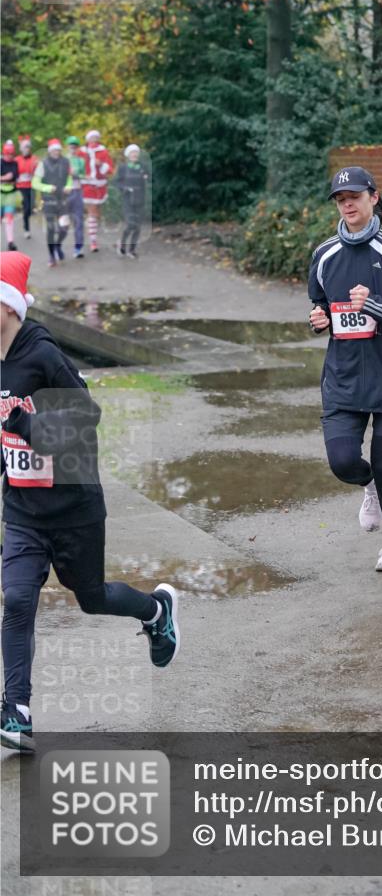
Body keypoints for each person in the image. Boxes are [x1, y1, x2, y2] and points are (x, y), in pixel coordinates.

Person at [0, 251, 181, 753]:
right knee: (16, 601)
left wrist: (29, 426)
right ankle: (17, 710)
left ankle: (156, 611)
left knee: (91, 596)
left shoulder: (41, 353)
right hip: (22, 510)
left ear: (10, 306)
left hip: (73, 503)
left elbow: (87, 414)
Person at [308, 166, 382, 572]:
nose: (347, 205)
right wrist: (319, 318)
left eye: (354, 197)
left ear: (373, 198)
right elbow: (320, 305)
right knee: (342, 461)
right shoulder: (324, 255)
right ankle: (368, 485)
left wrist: (373, 303)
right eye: (341, 200)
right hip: (343, 379)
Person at [32, 139, 72, 267]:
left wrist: (69, 186)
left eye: (58, 150)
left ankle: (57, 245)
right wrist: (48, 188)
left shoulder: (66, 162)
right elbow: (34, 183)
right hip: (49, 200)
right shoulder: (42, 164)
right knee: (50, 229)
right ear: (50, 151)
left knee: (65, 227)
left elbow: (70, 178)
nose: (56, 152)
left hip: (62, 199)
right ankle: (51, 256)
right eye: (54, 150)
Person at [80, 129, 114, 253]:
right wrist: (83, 175)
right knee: (93, 212)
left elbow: (110, 169)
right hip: (87, 186)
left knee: (97, 214)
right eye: (91, 138)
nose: (93, 140)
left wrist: (101, 165)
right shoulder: (81, 152)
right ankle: (93, 241)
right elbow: (76, 168)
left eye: (95, 137)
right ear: (87, 139)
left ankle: (91, 226)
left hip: (100, 186)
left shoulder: (103, 152)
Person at [115, 144, 149, 259]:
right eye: (132, 153)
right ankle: (122, 244)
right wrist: (125, 189)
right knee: (130, 224)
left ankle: (132, 250)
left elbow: (148, 178)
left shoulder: (142, 167)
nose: (134, 155)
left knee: (137, 226)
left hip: (140, 199)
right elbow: (117, 182)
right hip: (128, 200)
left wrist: (146, 178)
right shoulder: (123, 168)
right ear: (128, 155)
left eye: (136, 153)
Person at [65, 136, 86, 258]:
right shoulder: (62, 160)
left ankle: (78, 248)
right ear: (67, 147)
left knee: (78, 221)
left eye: (75, 146)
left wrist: (77, 174)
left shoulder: (80, 161)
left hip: (77, 192)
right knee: (63, 222)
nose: (73, 148)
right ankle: (56, 248)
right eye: (71, 146)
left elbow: (85, 176)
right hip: (65, 193)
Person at [16, 136, 39, 241]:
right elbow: (14, 172)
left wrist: (36, 167)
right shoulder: (17, 160)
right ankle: (26, 229)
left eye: (28, 147)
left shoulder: (34, 159)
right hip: (21, 186)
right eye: (25, 147)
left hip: (31, 186)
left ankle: (26, 213)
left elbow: (38, 171)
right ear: (21, 149)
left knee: (30, 208)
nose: (27, 149)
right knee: (26, 207)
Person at [1, 140, 20, 252]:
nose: (10, 156)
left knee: (9, 218)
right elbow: (9, 177)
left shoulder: (14, 163)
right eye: (8, 154)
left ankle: (10, 242)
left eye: (12, 154)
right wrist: (4, 178)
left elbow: (14, 176)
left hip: (11, 194)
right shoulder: (0, 162)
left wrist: (8, 177)